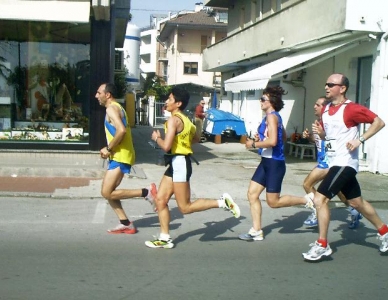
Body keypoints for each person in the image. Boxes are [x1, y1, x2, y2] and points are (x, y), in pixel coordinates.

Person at [302, 73, 388, 261]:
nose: (327, 87)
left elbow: (379, 122)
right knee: (357, 203)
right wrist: (320, 134)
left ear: (342, 88)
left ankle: (322, 244)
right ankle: (385, 231)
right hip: (334, 162)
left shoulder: (351, 109)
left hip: (346, 163)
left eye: (331, 84)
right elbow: (328, 139)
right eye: (326, 83)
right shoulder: (325, 110)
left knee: (320, 199)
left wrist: (360, 140)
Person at [145, 87, 240, 249]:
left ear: (178, 103)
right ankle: (164, 238)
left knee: (185, 207)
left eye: (170, 99)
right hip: (177, 162)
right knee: (160, 200)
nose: (167, 101)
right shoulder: (186, 120)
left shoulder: (173, 120)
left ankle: (222, 202)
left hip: (180, 164)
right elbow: (196, 138)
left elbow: (166, 147)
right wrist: (180, 144)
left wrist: (157, 138)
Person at [239, 86, 315, 242]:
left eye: (263, 99)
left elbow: (273, 141)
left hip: (274, 163)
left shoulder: (272, 117)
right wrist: (261, 140)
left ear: (271, 102)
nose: (260, 102)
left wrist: (253, 144)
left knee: (273, 202)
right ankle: (256, 230)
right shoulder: (273, 117)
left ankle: (308, 200)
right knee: (252, 194)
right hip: (266, 161)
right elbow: (283, 137)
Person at [96, 83, 157, 234]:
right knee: (109, 192)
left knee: (106, 192)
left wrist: (108, 149)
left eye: (99, 93)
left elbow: (121, 130)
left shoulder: (111, 108)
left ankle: (146, 192)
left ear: (107, 94)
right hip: (121, 154)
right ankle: (125, 223)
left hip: (120, 155)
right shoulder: (118, 107)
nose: (96, 96)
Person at [302, 97, 362, 229]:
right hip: (327, 162)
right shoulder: (319, 122)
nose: (314, 107)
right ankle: (354, 210)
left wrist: (324, 136)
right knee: (342, 192)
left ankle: (318, 213)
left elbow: (332, 145)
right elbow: (319, 141)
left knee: (307, 184)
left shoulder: (328, 122)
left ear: (324, 108)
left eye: (317, 105)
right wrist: (310, 137)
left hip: (328, 162)